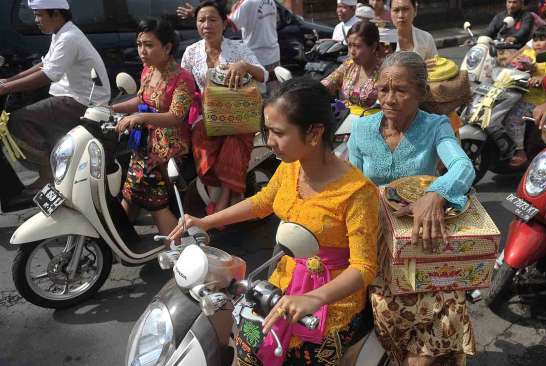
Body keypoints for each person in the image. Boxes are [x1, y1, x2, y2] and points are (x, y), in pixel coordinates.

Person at [169, 77, 380, 365]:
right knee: (246, 348)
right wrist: (205, 222)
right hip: (278, 286)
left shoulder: (356, 192)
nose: (269, 143)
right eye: (267, 131)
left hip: (328, 306)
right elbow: (262, 202)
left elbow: (363, 267)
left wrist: (315, 298)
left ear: (315, 133)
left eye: (278, 133)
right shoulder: (290, 167)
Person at [348, 51, 476, 366]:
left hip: (423, 238)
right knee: (387, 313)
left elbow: (462, 166)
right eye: (383, 89)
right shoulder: (362, 129)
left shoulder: (435, 127)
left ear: (420, 92)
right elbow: (351, 185)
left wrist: (437, 192)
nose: (390, 99)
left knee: (447, 305)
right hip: (378, 242)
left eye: (401, 90)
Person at [1, 0, 110, 192]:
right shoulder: (61, 33)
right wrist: (8, 81)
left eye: (40, 15)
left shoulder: (69, 37)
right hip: (71, 97)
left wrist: (7, 88)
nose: (36, 20)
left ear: (57, 15)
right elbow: (45, 64)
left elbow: (48, 75)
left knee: (18, 121)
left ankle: (48, 174)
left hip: (81, 101)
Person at [111, 18, 195, 243]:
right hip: (144, 144)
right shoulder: (148, 70)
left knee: (153, 200)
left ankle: (178, 252)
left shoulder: (183, 78)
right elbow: (141, 98)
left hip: (169, 149)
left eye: (148, 45)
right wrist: (110, 108)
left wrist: (139, 116)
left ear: (167, 47)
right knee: (129, 192)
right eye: (139, 44)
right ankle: (120, 242)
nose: (142, 51)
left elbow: (176, 117)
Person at [181, 1, 267, 215]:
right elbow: (184, 85)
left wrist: (244, 66)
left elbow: (263, 75)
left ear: (224, 23)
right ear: (196, 24)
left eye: (212, 19)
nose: (207, 25)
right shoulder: (191, 53)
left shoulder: (238, 48)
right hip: (207, 116)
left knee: (234, 141)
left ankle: (221, 204)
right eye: (201, 20)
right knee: (202, 144)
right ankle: (229, 196)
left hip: (238, 114)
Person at [504, 25, 546, 167]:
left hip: (536, 100)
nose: (538, 44)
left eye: (542, 40)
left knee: (513, 119)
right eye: (535, 40)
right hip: (516, 95)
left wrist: (540, 78)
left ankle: (520, 151)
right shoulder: (529, 53)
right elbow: (515, 64)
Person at [321, 21, 383, 108]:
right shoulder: (349, 65)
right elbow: (327, 84)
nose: (352, 52)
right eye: (349, 46)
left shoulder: (385, 71)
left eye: (357, 46)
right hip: (348, 119)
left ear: (373, 47)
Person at [229, 0, 281, 75]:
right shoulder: (271, 1)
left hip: (255, 58)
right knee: (275, 85)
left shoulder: (246, 3)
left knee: (257, 86)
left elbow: (232, 22)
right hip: (274, 55)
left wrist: (234, 8)